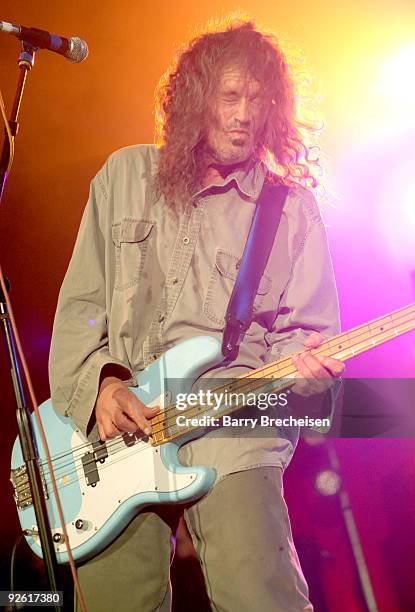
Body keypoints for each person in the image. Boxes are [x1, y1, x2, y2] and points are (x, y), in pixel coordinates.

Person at [49, 20, 344, 612]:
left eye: (257, 102)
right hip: (125, 431)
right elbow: (81, 310)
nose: (243, 116)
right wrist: (100, 386)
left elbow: (311, 338)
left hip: (233, 425)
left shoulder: (289, 209)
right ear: (194, 99)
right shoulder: (124, 177)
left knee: (262, 595)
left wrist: (311, 381)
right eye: (229, 97)